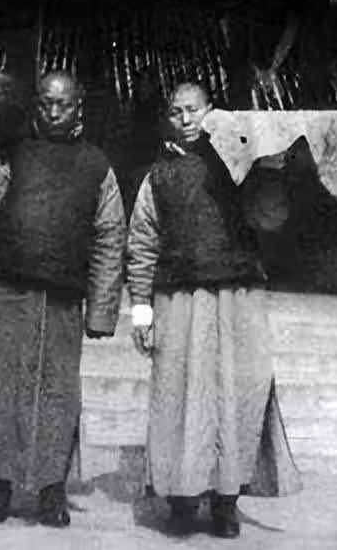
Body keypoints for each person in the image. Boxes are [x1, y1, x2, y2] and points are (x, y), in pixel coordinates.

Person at [0, 71, 127, 528]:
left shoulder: (96, 164)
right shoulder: (10, 150)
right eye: (46, 103)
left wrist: (103, 309)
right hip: (2, 290)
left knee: (56, 396)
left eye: (63, 104)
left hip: (59, 297)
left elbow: (110, 236)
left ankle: (52, 490)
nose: (53, 112)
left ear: (78, 108)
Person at [126, 82, 301, 538]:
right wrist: (141, 309)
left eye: (194, 110)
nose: (185, 120)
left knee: (236, 396)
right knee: (179, 398)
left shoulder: (240, 165)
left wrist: (271, 169)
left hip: (236, 296)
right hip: (179, 299)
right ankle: (181, 500)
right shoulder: (158, 176)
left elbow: (270, 219)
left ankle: (227, 501)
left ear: (212, 112)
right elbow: (141, 242)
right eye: (176, 112)